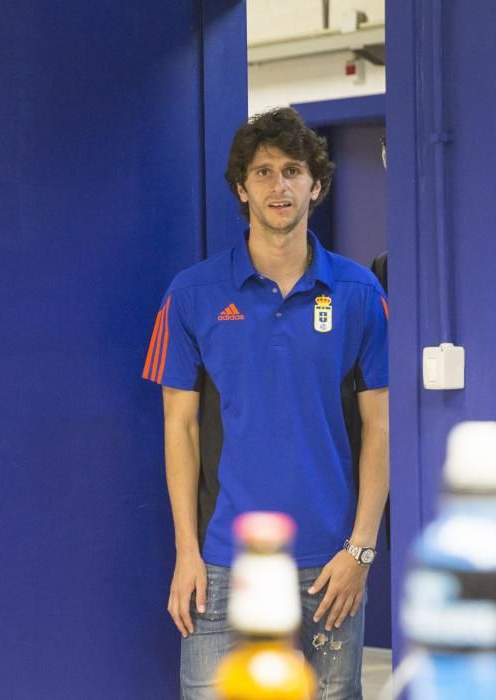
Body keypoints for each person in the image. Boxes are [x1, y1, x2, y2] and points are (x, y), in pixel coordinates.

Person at [143, 107, 389, 700]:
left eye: (293, 171)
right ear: (241, 188)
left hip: (330, 563)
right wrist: (186, 553)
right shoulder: (192, 294)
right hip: (223, 562)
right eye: (263, 172)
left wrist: (360, 549)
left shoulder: (359, 292)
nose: (279, 186)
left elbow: (381, 427)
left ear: (316, 186)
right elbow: (180, 428)